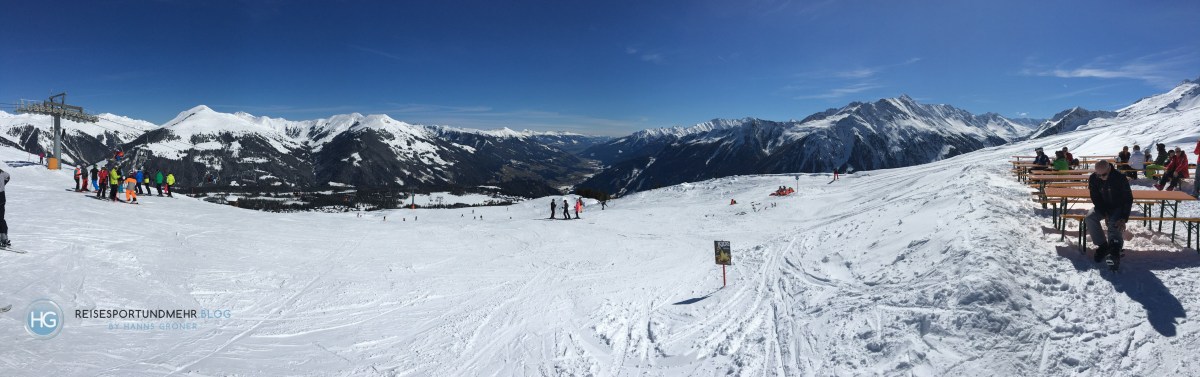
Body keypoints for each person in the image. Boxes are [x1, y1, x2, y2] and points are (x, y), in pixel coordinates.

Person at [1086, 160, 1133, 269]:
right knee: (1090, 217)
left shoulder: (1120, 178)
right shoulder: (1094, 178)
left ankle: (1114, 249)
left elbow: (1128, 198)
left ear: (1109, 169)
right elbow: (1096, 198)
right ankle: (1103, 246)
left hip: (1118, 207)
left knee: (1114, 223)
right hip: (1102, 207)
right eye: (1099, 175)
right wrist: (1105, 213)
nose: (1101, 177)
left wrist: (1123, 217)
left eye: (1104, 175)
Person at [0, 167, 10, 247]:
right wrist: (3, 183)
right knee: (0, 218)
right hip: (2, 196)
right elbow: (8, 176)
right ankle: (4, 237)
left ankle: (3, 238)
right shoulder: (1, 172)